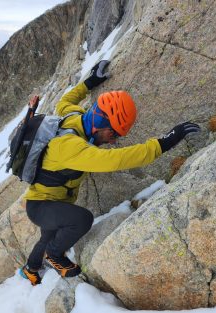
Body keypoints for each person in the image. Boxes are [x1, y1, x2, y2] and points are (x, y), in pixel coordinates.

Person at [19, 60, 200, 285]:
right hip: (42, 205)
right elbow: (117, 160)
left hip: (49, 202)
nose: (114, 141)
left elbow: (66, 100)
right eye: (114, 134)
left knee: (47, 235)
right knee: (81, 220)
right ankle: (54, 256)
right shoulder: (71, 147)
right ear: (101, 125)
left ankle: (30, 269)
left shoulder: (74, 117)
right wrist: (166, 141)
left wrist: (91, 81)